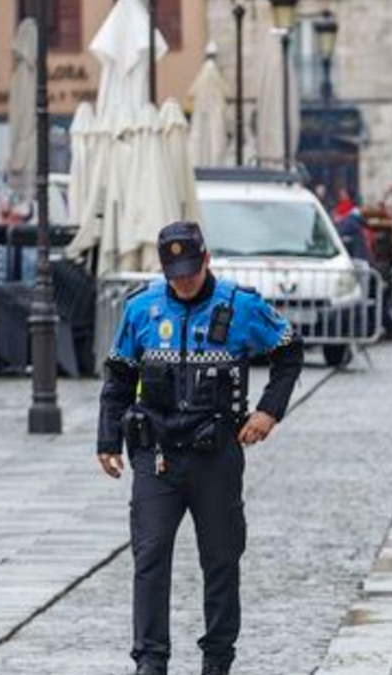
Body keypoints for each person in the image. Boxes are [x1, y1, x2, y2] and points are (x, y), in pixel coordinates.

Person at [96, 222, 304, 675]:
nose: (183, 281)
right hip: (157, 455)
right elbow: (118, 377)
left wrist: (268, 411)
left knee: (221, 560)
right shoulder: (142, 309)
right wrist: (107, 439)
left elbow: (290, 351)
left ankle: (217, 660)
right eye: (175, 272)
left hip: (216, 454)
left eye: (190, 270)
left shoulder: (241, 306)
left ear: (206, 260)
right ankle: (150, 662)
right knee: (149, 556)